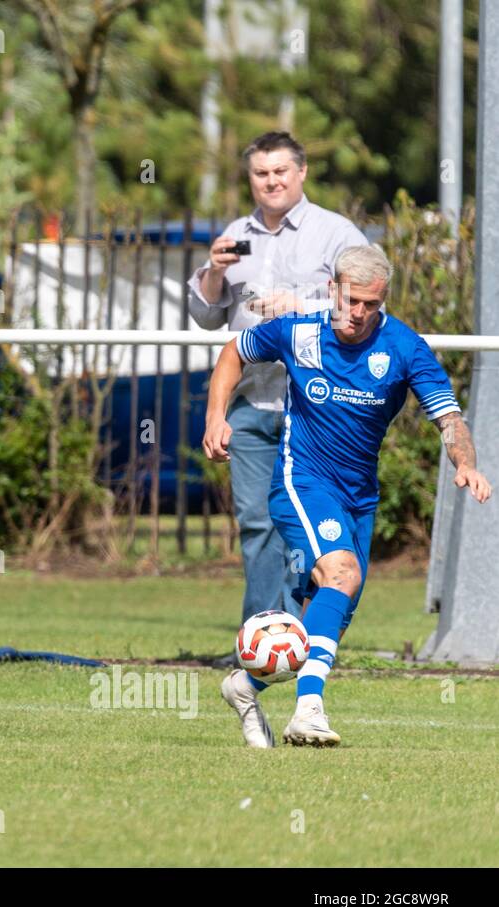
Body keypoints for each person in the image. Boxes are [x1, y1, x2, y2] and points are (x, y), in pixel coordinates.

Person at [203, 245, 490, 748]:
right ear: (333, 288)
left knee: (323, 613)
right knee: (342, 574)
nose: (358, 313)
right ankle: (308, 712)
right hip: (301, 481)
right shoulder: (301, 332)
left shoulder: (404, 347)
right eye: (352, 300)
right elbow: (235, 352)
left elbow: (448, 417)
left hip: (358, 498)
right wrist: (215, 416)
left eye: (371, 305)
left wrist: (464, 462)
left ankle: (244, 687)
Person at [188, 131, 368, 624]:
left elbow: (366, 306)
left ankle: (308, 635)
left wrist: (301, 307)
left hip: (315, 410)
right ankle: (265, 639)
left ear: (301, 172)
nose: (271, 182)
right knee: (256, 525)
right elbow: (206, 317)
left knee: (309, 527)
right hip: (251, 403)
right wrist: (213, 274)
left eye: (280, 171)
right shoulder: (235, 233)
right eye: (261, 173)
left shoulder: (335, 233)